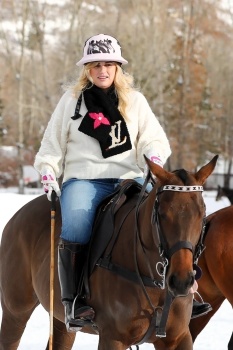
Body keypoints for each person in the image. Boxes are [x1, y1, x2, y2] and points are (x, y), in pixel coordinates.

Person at [34, 33, 211, 332]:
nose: (102, 70)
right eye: (95, 65)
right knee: (76, 223)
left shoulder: (135, 101)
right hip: (85, 181)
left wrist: (153, 152)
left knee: (165, 220)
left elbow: (154, 138)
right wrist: (49, 170)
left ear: (118, 68)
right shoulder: (72, 102)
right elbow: (51, 145)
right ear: (87, 69)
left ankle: (184, 292)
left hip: (130, 180)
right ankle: (75, 300)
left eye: (108, 64)